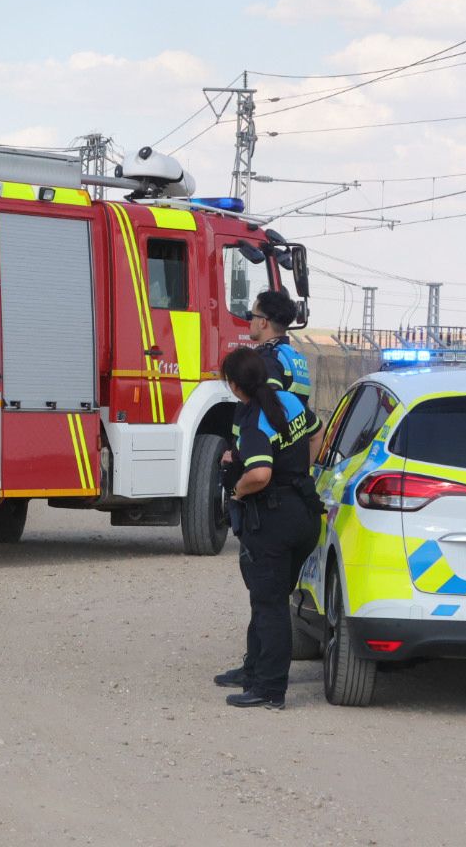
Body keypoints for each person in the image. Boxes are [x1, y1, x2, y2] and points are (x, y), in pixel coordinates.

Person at [213, 346, 322, 709]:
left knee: (269, 603)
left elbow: (260, 473)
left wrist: (237, 491)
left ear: (233, 385)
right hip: (303, 514)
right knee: (268, 599)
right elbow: (316, 434)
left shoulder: (253, 418)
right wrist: (300, 473)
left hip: (273, 520)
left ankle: (269, 688)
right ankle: (255, 670)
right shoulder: (289, 400)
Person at [246, 288, 320, 463]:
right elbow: (315, 429)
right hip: (292, 458)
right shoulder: (293, 356)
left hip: (269, 460)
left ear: (263, 322)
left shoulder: (268, 359)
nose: (249, 321)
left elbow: (268, 406)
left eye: (251, 316)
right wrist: (301, 472)